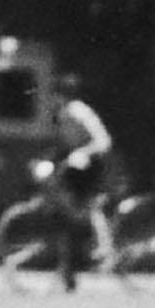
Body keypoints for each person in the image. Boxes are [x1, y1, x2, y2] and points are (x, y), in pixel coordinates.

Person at [45, 80, 122, 280]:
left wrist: (84, 152)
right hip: (76, 166)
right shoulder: (59, 116)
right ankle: (70, 266)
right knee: (64, 208)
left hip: (95, 164)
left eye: (55, 95)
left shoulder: (80, 112)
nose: (52, 99)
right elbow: (61, 146)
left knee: (91, 207)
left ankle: (106, 250)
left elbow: (103, 141)